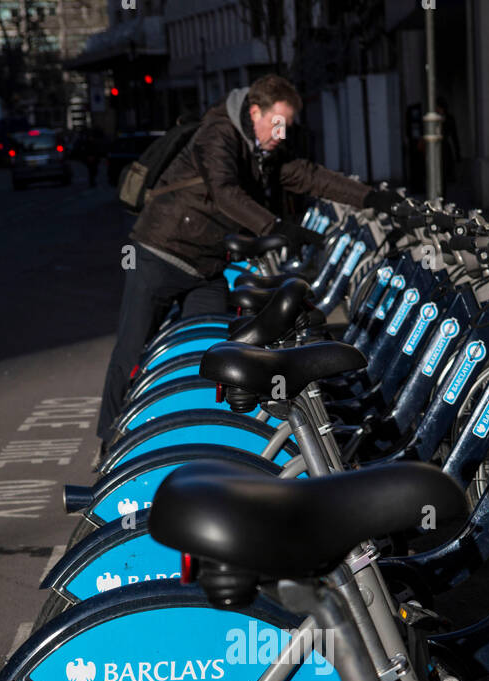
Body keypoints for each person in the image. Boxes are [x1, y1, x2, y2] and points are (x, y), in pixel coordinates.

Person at [96, 73, 396, 447]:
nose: (282, 134)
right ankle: (109, 440)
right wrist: (274, 226)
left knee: (212, 350)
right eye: (278, 123)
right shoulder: (217, 133)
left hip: (205, 266)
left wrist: (373, 198)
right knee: (132, 347)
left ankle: (193, 435)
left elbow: (308, 176)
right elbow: (224, 192)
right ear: (255, 112)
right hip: (161, 252)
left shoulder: (260, 147)